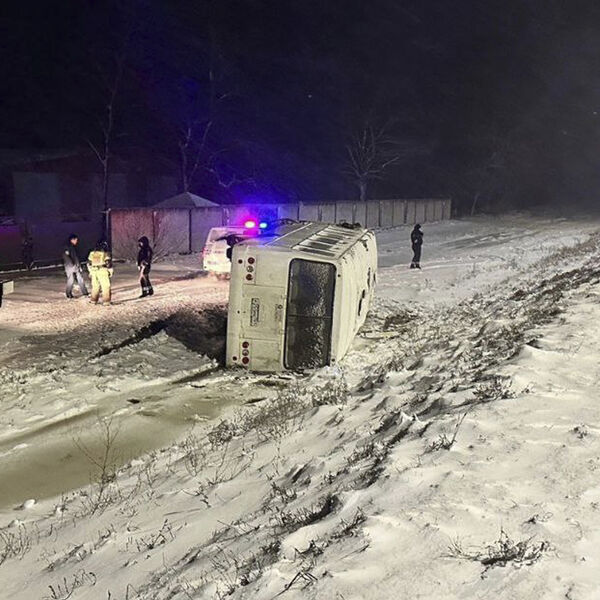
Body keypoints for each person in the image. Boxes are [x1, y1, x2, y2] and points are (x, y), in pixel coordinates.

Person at [87, 240, 113, 305]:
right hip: (102, 270)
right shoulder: (105, 253)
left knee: (95, 286)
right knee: (106, 286)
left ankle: (93, 300)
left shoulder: (92, 253)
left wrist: (90, 271)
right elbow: (108, 263)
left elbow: (89, 263)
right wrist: (110, 271)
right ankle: (106, 301)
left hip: (94, 271)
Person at [63, 233, 89, 298]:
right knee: (71, 280)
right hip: (70, 267)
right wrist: (72, 265)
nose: (76, 241)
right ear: (72, 240)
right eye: (76, 240)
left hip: (76, 265)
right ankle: (68, 293)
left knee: (80, 279)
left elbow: (76, 257)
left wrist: (78, 265)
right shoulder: (67, 247)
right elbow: (66, 257)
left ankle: (85, 292)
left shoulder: (73, 247)